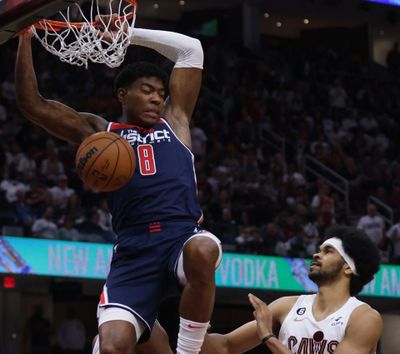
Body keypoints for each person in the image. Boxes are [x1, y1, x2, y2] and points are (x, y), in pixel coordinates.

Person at [16, 22, 222, 354]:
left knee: (203, 251)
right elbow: (34, 106)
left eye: (160, 91)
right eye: (147, 89)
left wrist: (126, 36)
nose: (157, 97)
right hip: (133, 250)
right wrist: (25, 40)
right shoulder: (101, 132)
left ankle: (188, 351)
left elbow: (190, 49)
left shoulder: (176, 120)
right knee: (112, 348)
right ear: (123, 95)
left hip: (180, 237)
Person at [93, 224, 383, 354]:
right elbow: (226, 347)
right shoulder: (288, 305)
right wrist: (191, 322)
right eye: (318, 249)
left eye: (328, 251)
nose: (316, 254)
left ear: (348, 268)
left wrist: (268, 336)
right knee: (149, 332)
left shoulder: (363, 318)